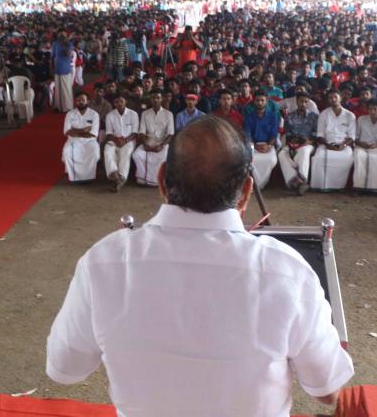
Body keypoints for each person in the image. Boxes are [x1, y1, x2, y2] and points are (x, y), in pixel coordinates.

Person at [47, 117, 354, 415]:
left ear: (162, 181)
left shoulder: (104, 262)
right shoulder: (288, 272)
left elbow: (64, 369)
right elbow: (327, 391)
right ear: (246, 192)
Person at [311, 88, 356, 191]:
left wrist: (343, 145)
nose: (333, 99)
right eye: (330, 98)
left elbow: (351, 136)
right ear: (328, 100)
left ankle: (340, 187)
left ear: (340, 98)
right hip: (326, 144)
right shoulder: (323, 114)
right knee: (318, 157)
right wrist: (328, 145)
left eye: (335, 97)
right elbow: (320, 134)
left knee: (347, 157)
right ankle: (321, 186)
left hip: (344, 145)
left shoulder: (350, 115)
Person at [278, 91, 319, 194]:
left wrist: (310, 141)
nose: (303, 104)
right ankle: (297, 181)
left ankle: (302, 179)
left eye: (306, 102)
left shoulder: (314, 116)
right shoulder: (289, 116)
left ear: (309, 103)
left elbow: (317, 133)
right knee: (282, 154)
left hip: (309, 143)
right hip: (293, 143)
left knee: (304, 151)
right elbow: (287, 133)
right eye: (301, 101)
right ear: (297, 101)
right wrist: (291, 139)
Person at [132, 92, 174, 186]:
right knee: (137, 154)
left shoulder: (168, 114)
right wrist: (145, 144)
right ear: (151, 100)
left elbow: (170, 134)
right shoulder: (145, 113)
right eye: (153, 98)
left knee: (163, 156)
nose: (155, 100)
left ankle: (155, 181)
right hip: (149, 141)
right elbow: (141, 132)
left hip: (163, 142)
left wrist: (161, 145)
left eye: (158, 98)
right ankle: (143, 179)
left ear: (161, 99)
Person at [61, 92, 100, 183]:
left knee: (95, 153)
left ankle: (89, 177)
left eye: (83, 100)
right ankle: (74, 177)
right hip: (73, 141)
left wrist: (75, 131)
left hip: (90, 141)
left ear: (88, 101)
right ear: (75, 102)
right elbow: (67, 131)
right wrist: (83, 130)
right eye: (78, 100)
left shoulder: (94, 114)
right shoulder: (70, 114)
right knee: (67, 152)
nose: (80, 102)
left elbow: (93, 134)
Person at [103, 94, 139, 192]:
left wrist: (125, 140)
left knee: (126, 152)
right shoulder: (110, 115)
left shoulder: (133, 114)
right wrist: (116, 140)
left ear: (125, 102)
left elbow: (135, 132)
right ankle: (116, 177)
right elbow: (109, 133)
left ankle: (121, 178)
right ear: (114, 103)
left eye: (121, 101)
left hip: (129, 141)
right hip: (114, 140)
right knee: (108, 151)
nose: (119, 104)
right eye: (116, 102)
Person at [352, 98, 377, 193]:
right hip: (361, 146)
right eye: (370, 109)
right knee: (359, 157)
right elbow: (355, 137)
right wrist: (360, 143)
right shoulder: (361, 119)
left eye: (375, 109)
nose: (372, 112)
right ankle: (358, 188)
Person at [51, 31, 75, 112]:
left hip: (65, 69)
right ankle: (58, 106)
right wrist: (51, 67)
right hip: (57, 69)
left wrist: (66, 43)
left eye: (63, 35)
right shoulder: (55, 44)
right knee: (57, 90)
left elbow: (68, 54)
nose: (61, 37)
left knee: (66, 89)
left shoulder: (69, 44)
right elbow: (52, 56)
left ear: (66, 36)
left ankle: (67, 107)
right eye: (60, 35)